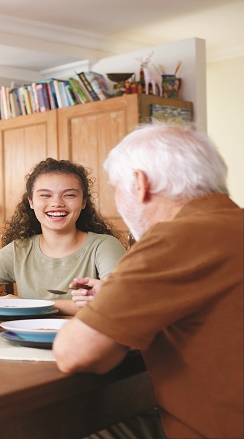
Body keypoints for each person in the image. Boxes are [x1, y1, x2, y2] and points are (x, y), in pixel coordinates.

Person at [54, 123, 244, 438]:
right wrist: (121, 293)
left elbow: (77, 353)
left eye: (116, 188)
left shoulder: (175, 237)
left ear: (139, 184)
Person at [0, 158, 126, 316]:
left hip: (86, 344)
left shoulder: (104, 246)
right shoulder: (19, 250)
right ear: (31, 201)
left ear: (84, 202)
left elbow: (117, 299)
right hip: (25, 343)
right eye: (45, 195)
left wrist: (26, 304)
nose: (56, 204)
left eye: (69, 195)